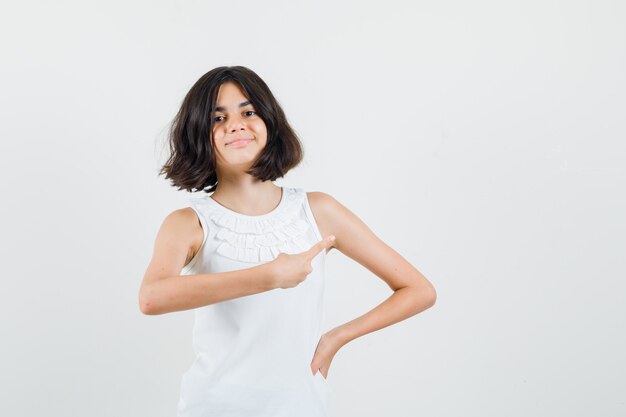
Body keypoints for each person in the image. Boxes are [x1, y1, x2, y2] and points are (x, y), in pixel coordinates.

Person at [138, 65, 437, 417]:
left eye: (248, 112)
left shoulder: (318, 210)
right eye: (217, 118)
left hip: (299, 406)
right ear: (197, 134)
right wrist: (268, 277)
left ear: (269, 121)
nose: (235, 124)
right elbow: (152, 298)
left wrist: (334, 339)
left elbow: (418, 290)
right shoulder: (187, 223)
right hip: (213, 406)